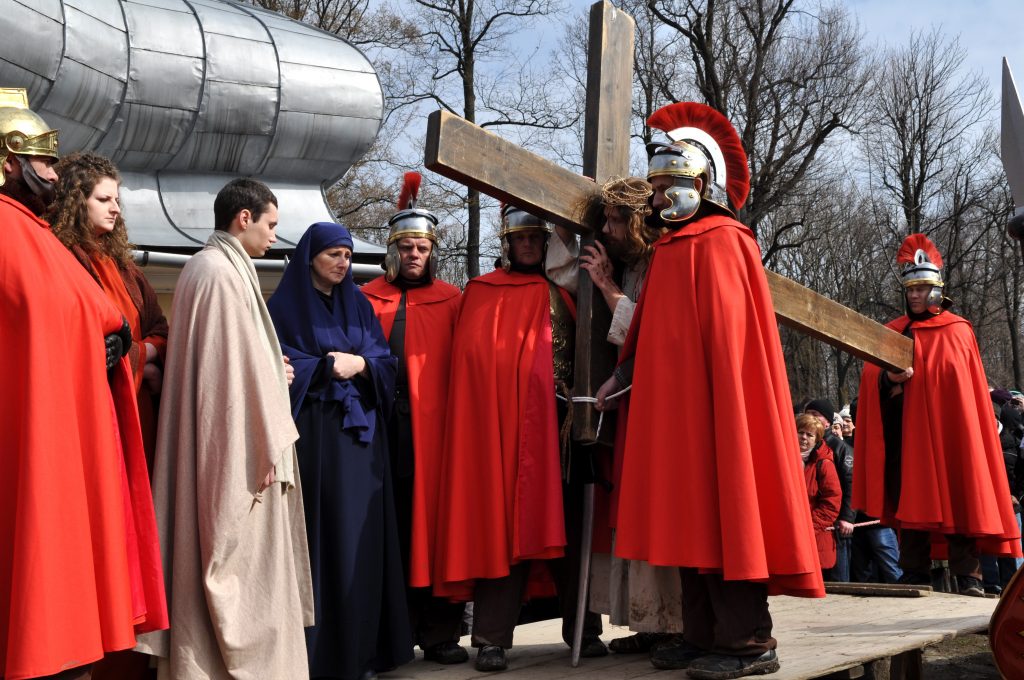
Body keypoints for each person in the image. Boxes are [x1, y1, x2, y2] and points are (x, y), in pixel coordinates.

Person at [598, 102, 824, 679]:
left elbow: (729, 349)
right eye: (654, 189)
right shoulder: (670, 248)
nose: (656, 200)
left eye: (664, 188)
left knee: (728, 517)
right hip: (677, 417)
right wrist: (622, 378)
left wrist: (713, 403)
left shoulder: (725, 241)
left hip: (720, 416)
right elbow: (653, 337)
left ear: (698, 185)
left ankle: (749, 643)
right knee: (689, 521)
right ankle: (701, 635)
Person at [0, 88, 167, 680]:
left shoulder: (38, 236)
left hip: (80, 425)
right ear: (8, 162)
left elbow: (118, 321)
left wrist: (125, 345)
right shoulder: (18, 233)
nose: (52, 171)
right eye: (41, 161)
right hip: (35, 426)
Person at [136, 178, 314, 679]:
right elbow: (223, 381)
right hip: (237, 455)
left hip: (231, 437)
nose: (274, 236)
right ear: (244, 218)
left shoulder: (210, 268)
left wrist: (268, 367)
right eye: (271, 225)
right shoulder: (218, 274)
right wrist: (262, 426)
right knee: (236, 569)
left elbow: (232, 361)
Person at [432, 204, 604, 672]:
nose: (527, 245)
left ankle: (584, 630)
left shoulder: (567, 289)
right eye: (519, 239)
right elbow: (473, 367)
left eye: (535, 238)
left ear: (546, 242)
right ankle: (491, 638)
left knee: (570, 526)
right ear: (506, 244)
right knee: (505, 527)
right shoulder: (483, 292)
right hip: (507, 431)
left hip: (565, 424)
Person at [267, 221, 411, 679]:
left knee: (360, 544)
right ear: (310, 256)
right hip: (314, 439)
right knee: (321, 539)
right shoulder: (282, 308)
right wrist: (326, 367)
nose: (342, 263)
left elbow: (386, 363)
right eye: (333, 254)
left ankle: (362, 653)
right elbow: (276, 365)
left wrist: (362, 363)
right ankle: (318, 656)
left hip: (362, 442)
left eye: (347, 256)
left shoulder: (359, 306)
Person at [853, 233, 1022, 597]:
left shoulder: (958, 331)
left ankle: (970, 577)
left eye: (921, 289)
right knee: (910, 501)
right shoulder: (893, 332)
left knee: (961, 495)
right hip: (907, 438)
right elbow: (871, 378)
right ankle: (915, 573)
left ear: (936, 290)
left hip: (949, 437)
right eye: (910, 290)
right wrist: (888, 379)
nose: (914, 295)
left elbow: (964, 389)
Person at [360, 173, 467, 665]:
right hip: (381, 432)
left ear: (432, 251)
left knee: (436, 530)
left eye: (422, 247)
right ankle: (390, 636)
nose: (414, 255)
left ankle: (441, 634)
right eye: (406, 247)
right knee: (390, 530)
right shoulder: (366, 298)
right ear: (393, 250)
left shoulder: (452, 299)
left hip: (436, 435)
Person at [574, 177, 683, 659]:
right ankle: (652, 621)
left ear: (638, 222)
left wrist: (607, 286)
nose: (606, 229)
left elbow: (652, 332)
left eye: (615, 220)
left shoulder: (665, 260)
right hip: (636, 409)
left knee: (663, 510)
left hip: (667, 414)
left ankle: (676, 624)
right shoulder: (633, 262)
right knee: (637, 510)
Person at [47, 151, 168, 465]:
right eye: (103, 199)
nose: (115, 208)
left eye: (116, 200)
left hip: (138, 407)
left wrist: (140, 355)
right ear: (76, 201)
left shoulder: (127, 268)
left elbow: (160, 328)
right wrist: (142, 365)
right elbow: (74, 338)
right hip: (96, 408)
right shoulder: (61, 259)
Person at [803, 399, 854, 582]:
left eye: (815, 414)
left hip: (835, 522)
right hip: (813, 523)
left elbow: (849, 483)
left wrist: (847, 517)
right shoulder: (808, 449)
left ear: (827, 421)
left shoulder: (839, 448)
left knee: (837, 574)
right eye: (808, 413)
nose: (810, 417)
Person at [796, 415, 842, 576]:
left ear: (816, 439)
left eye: (809, 435)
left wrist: (809, 527)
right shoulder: (784, 459)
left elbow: (832, 502)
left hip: (814, 538)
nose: (804, 437)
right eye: (801, 432)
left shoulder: (824, 463)